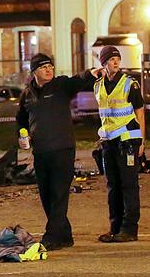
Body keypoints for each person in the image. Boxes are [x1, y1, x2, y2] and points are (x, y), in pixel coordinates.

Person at [16, 53, 102, 251]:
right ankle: (65, 235)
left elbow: (77, 81)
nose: (49, 70)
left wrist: (90, 73)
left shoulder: (61, 86)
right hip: (41, 151)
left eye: (51, 67)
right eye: (44, 67)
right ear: (34, 71)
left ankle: (52, 235)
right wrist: (23, 135)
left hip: (62, 149)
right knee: (46, 195)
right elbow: (21, 118)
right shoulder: (27, 94)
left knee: (59, 193)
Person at [95, 46, 144, 243]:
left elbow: (139, 111)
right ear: (104, 62)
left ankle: (129, 229)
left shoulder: (129, 84)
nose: (116, 62)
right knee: (112, 186)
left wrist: (141, 140)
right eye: (111, 59)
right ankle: (115, 228)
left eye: (117, 59)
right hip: (108, 142)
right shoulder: (98, 85)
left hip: (127, 140)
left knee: (128, 185)